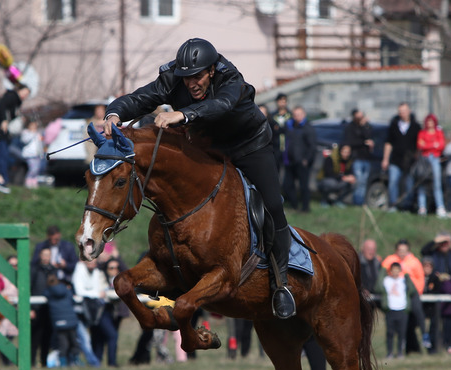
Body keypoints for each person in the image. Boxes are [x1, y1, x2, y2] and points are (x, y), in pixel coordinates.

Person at [102, 38, 296, 319]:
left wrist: (183, 114)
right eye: (186, 78)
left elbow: (223, 105)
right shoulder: (173, 79)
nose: (191, 83)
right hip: (210, 144)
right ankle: (169, 263)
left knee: (273, 205)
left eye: (198, 76)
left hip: (250, 145)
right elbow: (140, 98)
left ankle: (282, 285)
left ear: (212, 71)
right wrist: (113, 113)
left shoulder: (232, 78)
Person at [381, 239, 427, 353]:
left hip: (412, 293)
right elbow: (382, 274)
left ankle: (425, 336)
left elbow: (420, 277)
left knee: (418, 313)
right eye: (400, 250)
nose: (402, 253)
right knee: (398, 324)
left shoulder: (414, 261)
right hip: (397, 295)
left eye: (404, 250)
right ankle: (396, 349)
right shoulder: (390, 260)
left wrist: (418, 292)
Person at [0, 83, 31, 193]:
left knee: (3, 155)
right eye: (24, 93)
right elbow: (1, 106)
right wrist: (4, 120)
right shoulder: (12, 96)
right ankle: (1, 179)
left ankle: (1, 178)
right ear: (19, 90)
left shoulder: (17, 102)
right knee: (0, 154)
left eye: (27, 95)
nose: (24, 96)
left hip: (5, 134)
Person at [381, 102, 420, 212]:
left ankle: (406, 206)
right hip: (395, 160)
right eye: (400, 112)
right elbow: (388, 143)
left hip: (410, 162)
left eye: (404, 111)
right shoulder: (394, 125)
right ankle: (393, 205)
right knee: (393, 181)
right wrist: (385, 159)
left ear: (409, 111)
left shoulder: (416, 127)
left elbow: (419, 145)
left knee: (409, 184)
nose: (402, 113)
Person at [282, 106, 317, 213]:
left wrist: (306, 159)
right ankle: (294, 205)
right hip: (290, 161)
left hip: (302, 162)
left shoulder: (308, 128)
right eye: (295, 114)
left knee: (303, 186)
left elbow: (312, 146)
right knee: (287, 185)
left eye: (298, 114)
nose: (296, 117)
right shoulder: (291, 126)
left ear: (304, 115)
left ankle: (305, 208)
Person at [380, 262, 418, 359]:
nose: (395, 272)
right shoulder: (386, 280)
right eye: (393, 270)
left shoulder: (403, 280)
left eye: (397, 270)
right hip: (390, 310)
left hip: (402, 309)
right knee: (390, 333)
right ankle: (390, 352)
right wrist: (382, 271)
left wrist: (407, 276)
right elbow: (378, 287)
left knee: (402, 333)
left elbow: (412, 290)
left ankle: (400, 352)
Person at [44, 272, 82, 367]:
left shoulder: (48, 292)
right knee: (74, 342)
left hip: (58, 322)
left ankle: (63, 363)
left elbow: (44, 294)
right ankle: (75, 361)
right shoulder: (66, 290)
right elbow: (72, 301)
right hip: (71, 320)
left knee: (62, 345)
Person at [341, 109, 375, 206]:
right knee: (358, 181)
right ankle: (356, 201)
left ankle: (360, 202)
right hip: (357, 158)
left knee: (363, 182)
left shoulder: (365, 127)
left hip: (367, 158)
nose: (360, 119)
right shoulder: (350, 128)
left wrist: (365, 125)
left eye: (362, 116)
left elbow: (368, 136)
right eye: (358, 117)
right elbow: (350, 142)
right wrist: (363, 143)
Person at [416, 113, 447, 217]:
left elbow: (441, 145)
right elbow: (420, 145)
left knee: (437, 183)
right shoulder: (422, 133)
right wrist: (434, 144)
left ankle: (440, 207)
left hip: (435, 159)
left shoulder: (438, 132)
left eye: (431, 121)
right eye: (428, 121)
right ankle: (422, 207)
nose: (430, 124)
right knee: (422, 182)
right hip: (424, 160)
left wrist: (428, 145)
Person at [30, 248, 56, 367]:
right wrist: (30, 308)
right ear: (40, 255)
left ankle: (44, 362)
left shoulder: (53, 270)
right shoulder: (34, 269)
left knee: (47, 336)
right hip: (36, 308)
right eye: (44, 255)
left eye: (48, 255)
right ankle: (31, 362)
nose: (46, 257)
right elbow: (30, 288)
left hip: (49, 309)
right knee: (35, 337)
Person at [19, 118, 45, 189]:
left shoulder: (38, 134)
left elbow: (40, 144)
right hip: (30, 155)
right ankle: (28, 181)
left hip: (37, 154)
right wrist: (33, 134)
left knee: (37, 169)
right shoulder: (26, 133)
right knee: (32, 169)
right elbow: (25, 140)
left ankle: (34, 182)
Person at [270, 93, 291, 173]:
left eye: (284, 101)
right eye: (280, 101)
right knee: (276, 170)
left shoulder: (291, 115)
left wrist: (280, 128)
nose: (282, 103)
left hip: (288, 147)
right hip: (276, 147)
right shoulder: (272, 116)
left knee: (288, 172)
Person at [358, 238, 382, 302]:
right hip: (361, 296)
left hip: (377, 295)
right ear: (362, 249)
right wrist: (362, 289)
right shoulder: (357, 262)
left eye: (373, 249)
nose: (371, 252)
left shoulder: (378, 263)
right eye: (369, 249)